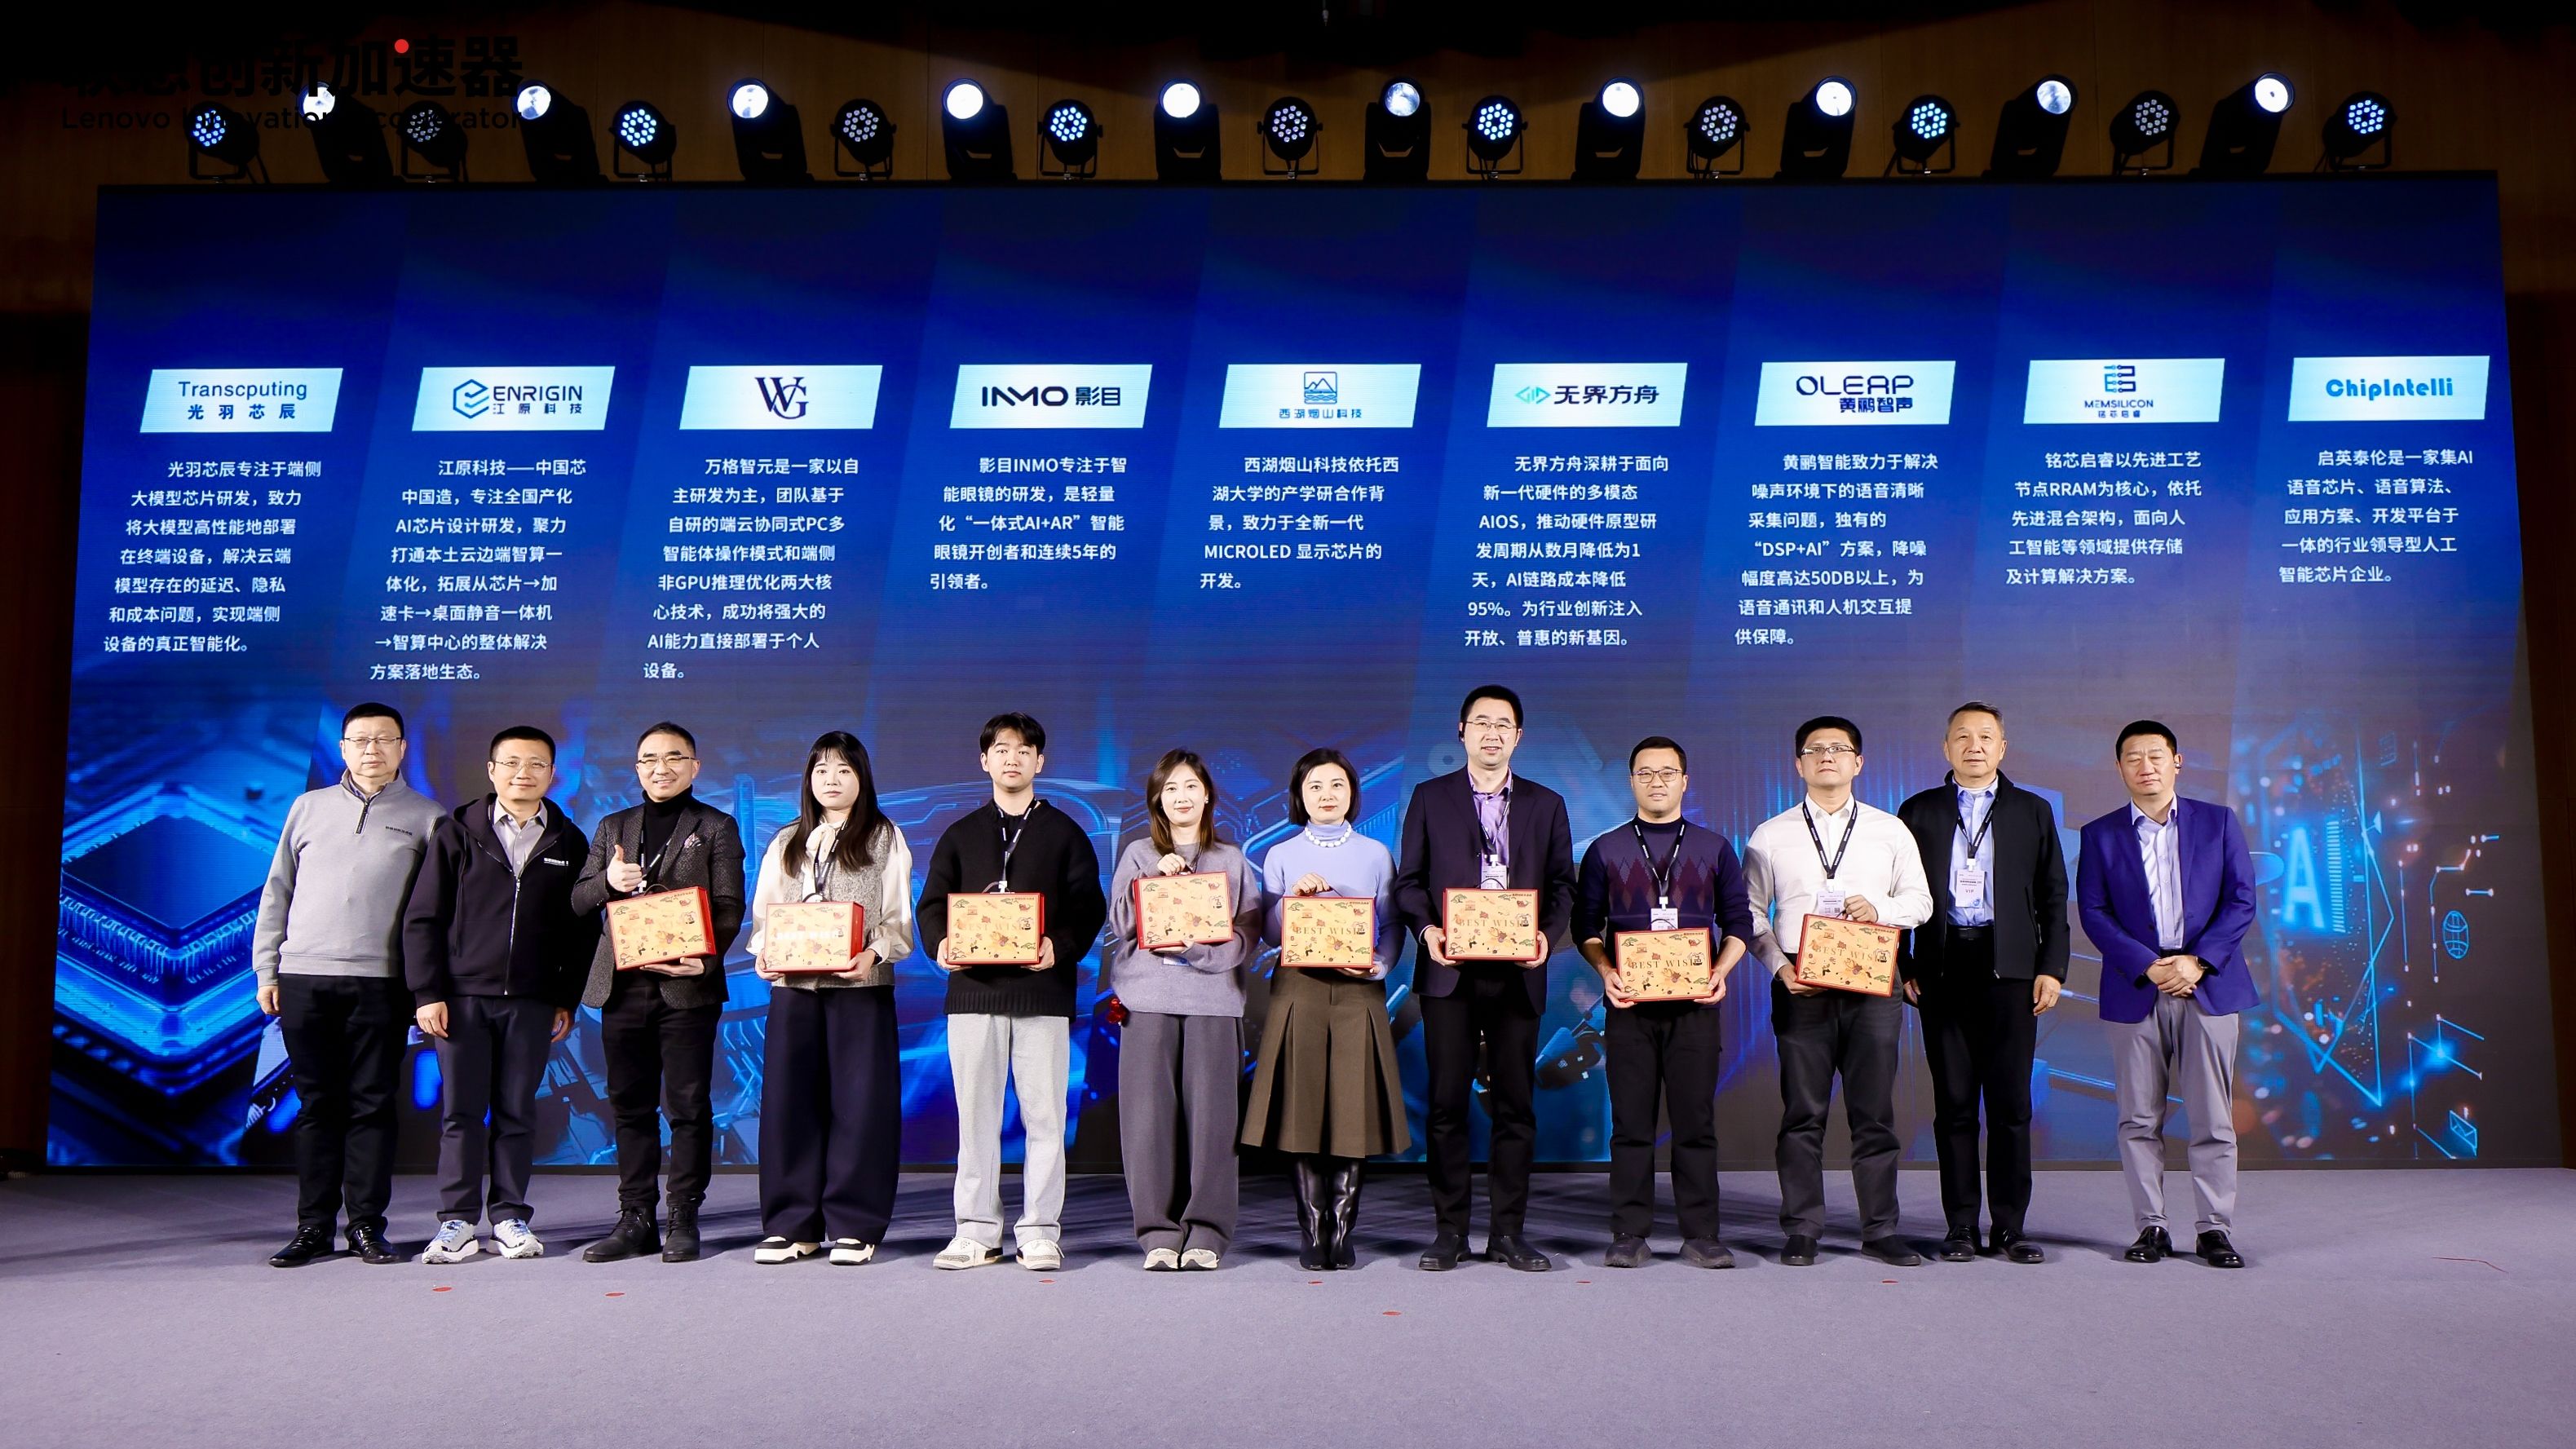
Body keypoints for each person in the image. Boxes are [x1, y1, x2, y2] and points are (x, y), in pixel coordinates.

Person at [252, 702, 444, 1267]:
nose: (371, 749)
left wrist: (425, 986)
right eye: (360, 739)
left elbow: (435, 913)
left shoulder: (428, 817)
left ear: (402, 748)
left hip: (382, 982)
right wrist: (267, 968)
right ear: (342, 748)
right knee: (317, 1105)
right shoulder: (307, 807)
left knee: (373, 1105)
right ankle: (313, 1227)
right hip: (304, 977)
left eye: (384, 739)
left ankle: (365, 1226)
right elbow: (277, 890)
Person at [1393, 684, 1576, 1273]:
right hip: (1449, 972)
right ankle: (1449, 1233)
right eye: (1481, 722)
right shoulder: (1430, 797)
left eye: (1503, 724)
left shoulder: (1546, 804)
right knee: (1446, 1104)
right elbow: (1409, 882)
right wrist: (1428, 932)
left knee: (1515, 1106)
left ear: (1518, 736)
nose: (1491, 733)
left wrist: (1547, 936)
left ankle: (1508, 1234)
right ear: (1462, 731)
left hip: (1518, 975)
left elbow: (1564, 886)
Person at [918, 712, 1108, 1272]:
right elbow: (931, 905)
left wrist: (1058, 945)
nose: (1012, 758)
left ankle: (1041, 1230)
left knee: (1045, 1118)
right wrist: (941, 943)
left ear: (1039, 762)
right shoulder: (959, 834)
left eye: (1024, 750)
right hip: (973, 995)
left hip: (1041, 994)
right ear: (984, 760)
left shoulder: (1065, 832)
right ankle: (976, 1231)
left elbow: (1088, 907)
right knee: (975, 1120)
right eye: (1001, 749)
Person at [1743, 715, 1934, 1269]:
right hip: (1801, 983)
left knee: (1874, 1112)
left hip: (1872, 980)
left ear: (1858, 762)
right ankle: (1802, 1227)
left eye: (1839, 748)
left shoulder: (1889, 830)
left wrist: (1881, 910)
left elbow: (1921, 902)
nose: (1827, 756)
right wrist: (1779, 967)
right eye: (1814, 749)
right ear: (1798, 763)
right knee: (1802, 1112)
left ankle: (1880, 1229)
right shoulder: (1769, 834)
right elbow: (1749, 913)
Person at [403, 725, 595, 1264]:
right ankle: (458, 1220)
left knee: (516, 1111)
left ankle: (509, 1215)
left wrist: (564, 997)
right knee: (461, 1114)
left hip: (532, 1000)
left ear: (551, 773)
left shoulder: (569, 841)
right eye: (511, 762)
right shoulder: (455, 832)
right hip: (461, 999)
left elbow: (581, 929)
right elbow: (423, 918)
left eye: (535, 764)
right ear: (492, 770)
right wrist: (427, 992)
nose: (522, 773)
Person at [2077, 720, 2258, 1270]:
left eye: (2156, 755)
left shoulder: (2217, 822)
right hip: (2137, 985)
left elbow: (2241, 899)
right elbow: (2093, 912)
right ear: (2120, 768)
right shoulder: (2100, 834)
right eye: (2133, 757)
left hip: (2208, 983)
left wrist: (2196, 961)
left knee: (2213, 1118)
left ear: (2176, 762)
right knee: (2138, 1118)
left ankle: (2213, 1229)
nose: (2146, 766)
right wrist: (2149, 965)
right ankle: (2150, 1226)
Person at [1897, 702, 2069, 1265]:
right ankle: (1961, 1226)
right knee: (1953, 1104)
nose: (1974, 746)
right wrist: (1903, 963)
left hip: (2011, 968)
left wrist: (2051, 967)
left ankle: (2011, 1227)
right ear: (1945, 748)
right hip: (1941, 968)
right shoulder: (1918, 810)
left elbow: (2053, 896)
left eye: (1985, 737)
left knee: (2011, 1104)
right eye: (1962, 737)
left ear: (2002, 747)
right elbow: (1894, 891)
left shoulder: (2032, 810)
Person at [568, 722, 747, 1265]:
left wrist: (706, 958)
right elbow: (578, 899)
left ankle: (683, 1217)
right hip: (622, 986)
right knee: (629, 1105)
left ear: (694, 766)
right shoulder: (613, 826)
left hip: (686, 985)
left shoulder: (716, 825)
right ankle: (636, 1219)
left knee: (689, 1106)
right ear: (637, 767)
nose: (660, 768)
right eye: (649, 759)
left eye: (673, 757)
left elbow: (729, 904)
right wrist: (609, 883)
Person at [1576, 736, 1754, 1270]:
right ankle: (1628, 1233)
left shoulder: (1714, 847)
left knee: (1695, 1124)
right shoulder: (1605, 849)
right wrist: (1606, 972)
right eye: (1646, 773)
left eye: (1667, 773)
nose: (1657, 782)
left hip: (1694, 1007)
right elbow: (1585, 927)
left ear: (1684, 781)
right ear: (1631, 781)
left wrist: (1719, 972)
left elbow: (1739, 922)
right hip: (1629, 1007)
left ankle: (1701, 1234)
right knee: (1631, 1125)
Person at [745, 731, 916, 1266]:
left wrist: (874, 953)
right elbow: (766, 913)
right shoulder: (788, 839)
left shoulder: (885, 836)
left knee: (861, 1105)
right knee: (788, 1104)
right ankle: (792, 1224)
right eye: (821, 770)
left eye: (843, 769)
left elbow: (897, 918)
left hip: (859, 986)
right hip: (793, 988)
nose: (831, 779)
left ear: (861, 777)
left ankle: (854, 1223)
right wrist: (763, 953)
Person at [1244, 748, 1409, 1273]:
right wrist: (1290, 898)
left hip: (1359, 990)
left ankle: (1343, 1227)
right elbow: (1270, 934)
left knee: (1352, 1106)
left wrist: (1382, 965)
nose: (1326, 795)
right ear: (1300, 795)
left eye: (1337, 784)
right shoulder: (1281, 854)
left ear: (1352, 793)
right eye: (1315, 786)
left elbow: (1393, 923)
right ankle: (1313, 1227)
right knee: (1302, 1106)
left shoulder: (1376, 854)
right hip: (1299, 988)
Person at [1103, 749, 1263, 1270]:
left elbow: (1247, 934)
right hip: (1147, 999)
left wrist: (1199, 951)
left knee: (1214, 1122)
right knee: (1147, 1121)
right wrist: (1152, 879)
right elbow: (1120, 925)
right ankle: (1157, 1233)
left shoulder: (1232, 859)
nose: (1181, 797)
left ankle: (1207, 1233)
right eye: (1170, 788)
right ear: (1157, 799)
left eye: (1191, 786)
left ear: (1208, 795)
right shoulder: (1138, 854)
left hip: (1213, 1002)